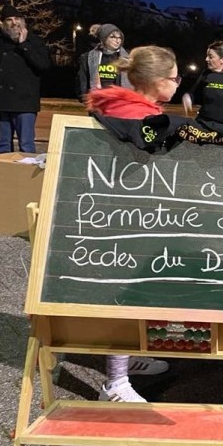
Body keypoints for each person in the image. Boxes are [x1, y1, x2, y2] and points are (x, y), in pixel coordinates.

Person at [86, 45, 180, 402]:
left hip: (127, 215)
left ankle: (128, 359)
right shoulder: (136, 117)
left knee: (136, 294)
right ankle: (115, 383)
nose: (178, 84)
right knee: (127, 296)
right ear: (157, 81)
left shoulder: (129, 109)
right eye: (174, 78)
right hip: (125, 220)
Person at [0, 5, 51, 153]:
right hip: (0, 103)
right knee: (2, 147)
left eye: (17, 18)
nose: (14, 23)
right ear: (2, 23)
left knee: (26, 146)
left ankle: (26, 169)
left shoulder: (35, 41)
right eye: (9, 19)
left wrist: (24, 45)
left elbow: (43, 65)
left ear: (23, 21)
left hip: (25, 103)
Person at [76, 23, 132, 101]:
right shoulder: (87, 57)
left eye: (119, 37)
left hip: (121, 102)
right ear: (103, 38)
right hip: (98, 102)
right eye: (112, 37)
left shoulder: (129, 58)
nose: (117, 40)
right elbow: (82, 80)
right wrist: (85, 98)